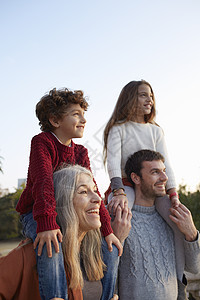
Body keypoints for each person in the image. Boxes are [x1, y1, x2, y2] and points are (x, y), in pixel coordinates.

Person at [16, 88, 122, 300]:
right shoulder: (42, 142)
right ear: (55, 120)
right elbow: (43, 183)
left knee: (108, 246)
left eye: (84, 114)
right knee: (52, 243)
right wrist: (47, 224)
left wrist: (107, 228)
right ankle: (56, 296)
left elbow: (93, 190)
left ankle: (108, 296)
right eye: (76, 114)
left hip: (69, 215)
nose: (83, 119)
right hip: (36, 214)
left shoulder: (80, 152)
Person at [1, 165, 130, 300]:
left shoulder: (100, 254)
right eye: (83, 192)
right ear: (63, 202)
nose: (97, 199)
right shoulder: (31, 254)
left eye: (95, 190)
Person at [103, 80, 183, 277]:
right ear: (130, 99)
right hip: (127, 185)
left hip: (155, 188)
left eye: (151, 95)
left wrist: (173, 193)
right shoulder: (118, 128)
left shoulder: (156, 130)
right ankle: (110, 277)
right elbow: (112, 161)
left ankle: (180, 280)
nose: (150, 100)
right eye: (143, 95)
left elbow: (167, 163)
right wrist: (118, 191)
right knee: (119, 213)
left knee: (178, 220)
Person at [117, 150, 200, 300]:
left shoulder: (172, 218)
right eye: (155, 172)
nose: (164, 178)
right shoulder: (121, 220)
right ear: (136, 178)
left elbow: (194, 268)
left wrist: (191, 233)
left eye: (164, 171)